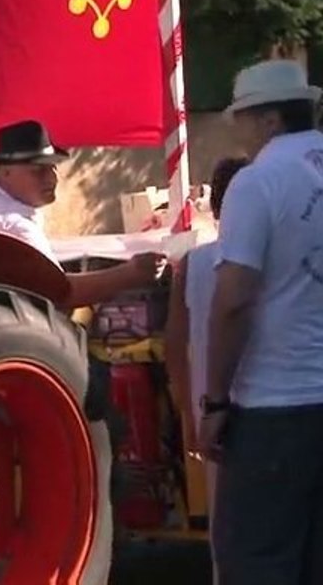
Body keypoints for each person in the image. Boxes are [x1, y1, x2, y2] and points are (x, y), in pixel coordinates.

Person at [199, 59, 323, 585]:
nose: (242, 137)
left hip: (276, 405)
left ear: (267, 120)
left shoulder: (260, 182)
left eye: (243, 123)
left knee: (257, 560)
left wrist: (216, 400)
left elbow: (233, 302)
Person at [0, 119, 165, 307]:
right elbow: (60, 293)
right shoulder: (16, 225)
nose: (51, 179)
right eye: (38, 171)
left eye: (53, 168)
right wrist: (132, 273)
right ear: (5, 172)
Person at [162, 155, 248, 585]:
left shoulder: (193, 265)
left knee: (227, 525)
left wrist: (188, 414)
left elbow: (174, 346)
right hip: (281, 404)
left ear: (214, 209)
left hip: (211, 409)